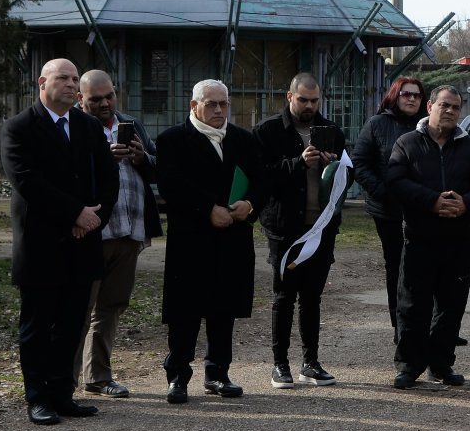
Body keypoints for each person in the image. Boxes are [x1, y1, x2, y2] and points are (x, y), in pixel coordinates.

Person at [3, 58, 118, 426]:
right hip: (42, 245)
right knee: (38, 328)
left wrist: (94, 218)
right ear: (42, 83)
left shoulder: (88, 126)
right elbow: (27, 181)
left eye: (74, 78)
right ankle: (38, 398)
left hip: (83, 244)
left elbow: (109, 178)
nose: (71, 84)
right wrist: (74, 214)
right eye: (63, 78)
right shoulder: (20, 127)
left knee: (71, 325)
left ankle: (62, 394)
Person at [155, 79, 266, 402]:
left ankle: (218, 373)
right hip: (190, 240)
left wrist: (251, 204)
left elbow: (262, 179)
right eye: (211, 104)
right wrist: (207, 209)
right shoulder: (173, 139)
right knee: (184, 312)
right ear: (194, 106)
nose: (219, 110)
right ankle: (178, 375)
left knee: (223, 308)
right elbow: (170, 185)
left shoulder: (243, 139)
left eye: (223, 104)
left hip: (232, 237)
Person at [385, 85, 470, 388]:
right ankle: (409, 366)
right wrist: (431, 201)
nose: (450, 111)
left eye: (455, 107)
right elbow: (395, 181)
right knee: (412, 306)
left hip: (458, 240)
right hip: (419, 239)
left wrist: (466, 203)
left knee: (451, 306)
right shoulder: (407, 143)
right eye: (444, 105)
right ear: (430, 106)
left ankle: (441, 364)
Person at [255, 73, 346, 388]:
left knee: (312, 297)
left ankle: (311, 363)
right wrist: (298, 163)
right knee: (284, 297)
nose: (309, 106)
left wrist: (332, 165)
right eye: (303, 100)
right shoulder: (268, 131)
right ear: (289, 97)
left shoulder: (332, 131)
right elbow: (261, 178)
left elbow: (346, 176)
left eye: (315, 100)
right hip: (285, 228)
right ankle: (280, 365)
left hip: (321, 227)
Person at [75, 69, 159, 399]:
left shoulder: (131, 123)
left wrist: (141, 158)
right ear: (81, 99)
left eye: (109, 96)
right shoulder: (75, 127)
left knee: (111, 306)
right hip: (91, 233)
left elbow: (157, 167)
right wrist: (102, 159)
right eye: (95, 99)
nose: (105, 103)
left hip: (129, 230)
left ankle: (98, 376)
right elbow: (68, 175)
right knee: (79, 309)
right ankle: (64, 383)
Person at [349, 76, 425, 350]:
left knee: (425, 267)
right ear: (395, 95)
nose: (412, 99)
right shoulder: (377, 124)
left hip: (423, 209)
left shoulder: (427, 126)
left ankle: (426, 325)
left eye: (417, 95)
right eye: (406, 94)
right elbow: (359, 163)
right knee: (397, 267)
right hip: (388, 210)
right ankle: (400, 326)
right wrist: (382, 191)